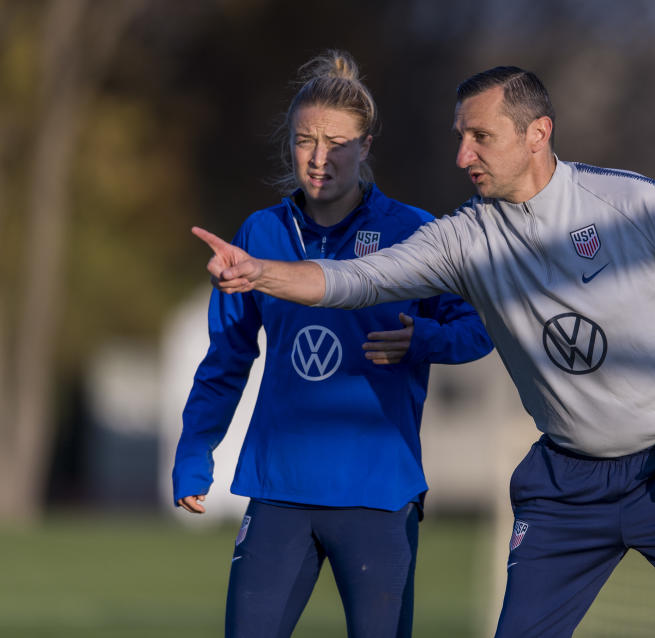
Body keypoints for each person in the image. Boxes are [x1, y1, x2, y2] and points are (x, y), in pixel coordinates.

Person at [193, 65, 655, 637]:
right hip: (566, 487)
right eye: (460, 138)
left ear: (537, 134)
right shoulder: (465, 238)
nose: (462, 155)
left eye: (480, 137)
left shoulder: (632, 203)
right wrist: (257, 272)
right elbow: (355, 280)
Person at [172, 51, 493, 638]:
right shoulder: (259, 235)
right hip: (278, 487)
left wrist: (424, 339)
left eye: (337, 142)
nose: (319, 159)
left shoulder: (414, 232)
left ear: (366, 145)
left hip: (378, 489)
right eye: (304, 141)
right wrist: (196, 450)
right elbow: (227, 360)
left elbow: (478, 331)